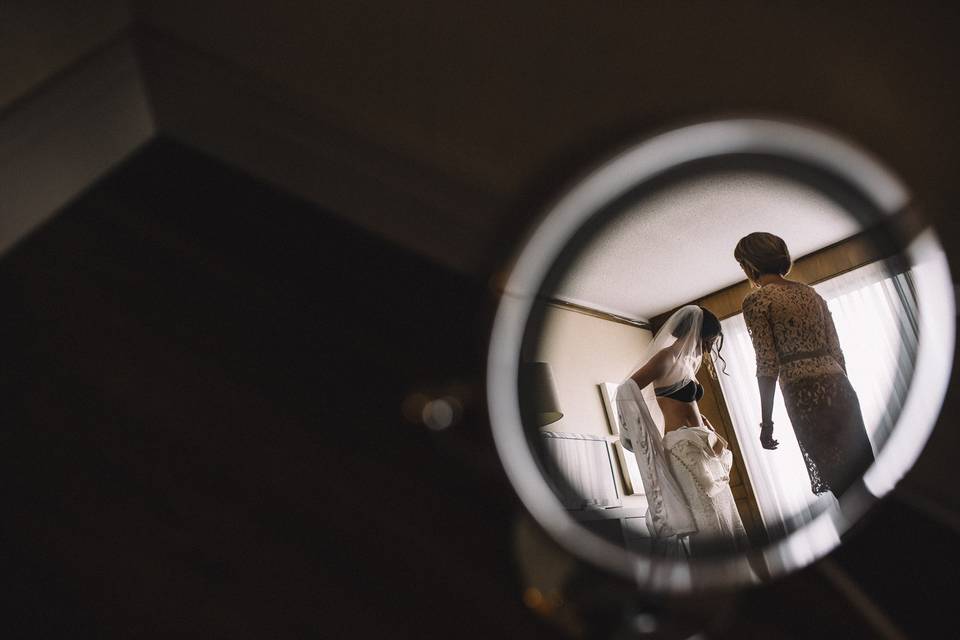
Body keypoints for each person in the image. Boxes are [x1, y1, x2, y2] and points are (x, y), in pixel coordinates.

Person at [735, 232, 875, 499]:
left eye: (742, 265)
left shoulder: (757, 300)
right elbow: (837, 353)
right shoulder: (812, 294)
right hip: (840, 387)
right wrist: (839, 385)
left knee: (840, 481)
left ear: (750, 264)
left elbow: (766, 363)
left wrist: (766, 423)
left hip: (805, 395)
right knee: (863, 472)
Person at [616, 305, 750, 557]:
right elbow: (626, 390)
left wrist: (707, 426)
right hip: (681, 449)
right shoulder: (666, 357)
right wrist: (644, 434)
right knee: (706, 516)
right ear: (696, 332)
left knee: (723, 513)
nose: (710, 347)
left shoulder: (689, 362)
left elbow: (688, 404)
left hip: (702, 445)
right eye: (708, 340)